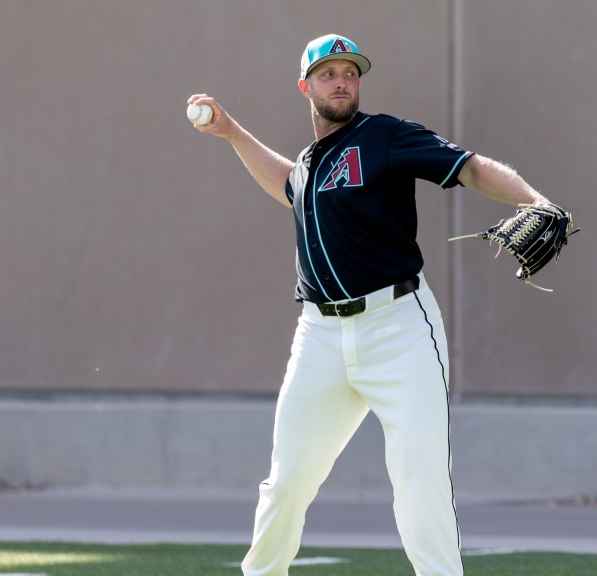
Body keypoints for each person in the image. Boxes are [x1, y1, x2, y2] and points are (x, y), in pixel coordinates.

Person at [188, 33, 554, 576]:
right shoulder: (312, 161)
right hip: (319, 336)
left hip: (399, 326)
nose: (341, 80)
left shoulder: (383, 135)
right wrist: (231, 132)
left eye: (350, 72)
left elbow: (471, 166)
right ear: (305, 86)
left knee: (420, 478)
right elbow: (290, 187)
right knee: (286, 482)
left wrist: (535, 201)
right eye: (329, 72)